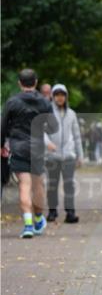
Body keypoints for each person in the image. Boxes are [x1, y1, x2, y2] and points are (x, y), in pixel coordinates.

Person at [1, 69, 57, 238]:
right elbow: (53, 126)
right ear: (36, 82)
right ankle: (39, 219)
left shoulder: (12, 102)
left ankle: (27, 226)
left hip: (18, 147)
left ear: (19, 83)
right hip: (38, 148)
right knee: (38, 185)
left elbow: (3, 125)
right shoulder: (44, 102)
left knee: (24, 186)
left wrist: (2, 144)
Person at [44, 84, 83, 223]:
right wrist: (47, 143)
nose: (60, 98)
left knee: (69, 184)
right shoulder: (47, 112)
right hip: (52, 156)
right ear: (53, 97)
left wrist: (80, 155)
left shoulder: (71, 114)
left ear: (66, 97)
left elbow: (77, 135)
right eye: (57, 95)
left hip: (68, 155)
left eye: (62, 95)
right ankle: (52, 212)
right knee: (52, 184)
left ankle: (70, 213)